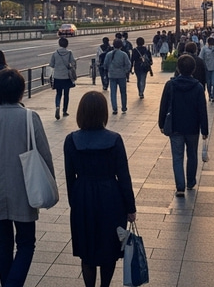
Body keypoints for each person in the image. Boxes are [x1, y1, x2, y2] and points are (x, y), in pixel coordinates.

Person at [0, 68, 54, 287]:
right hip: (24, 189)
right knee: (26, 243)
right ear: (20, 92)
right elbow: (45, 155)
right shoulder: (29, 117)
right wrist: (49, 184)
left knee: (3, 242)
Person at [64, 91, 137, 287]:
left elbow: (69, 176)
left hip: (83, 194)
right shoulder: (114, 139)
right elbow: (123, 176)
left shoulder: (71, 140)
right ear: (104, 113)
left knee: (87, 250)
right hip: (110, 196)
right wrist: (130, 207)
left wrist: (74, 202)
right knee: (109, 248)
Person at [158, 54, 209, 195]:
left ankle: (180, 186)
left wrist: (161, 123)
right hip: (193, 127)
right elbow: (202, 110)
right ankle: (191, 181)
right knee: (192, 154)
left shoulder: (170, 84)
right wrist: (204, 129)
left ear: (178, 68)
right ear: (193, 70)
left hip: (175, 126)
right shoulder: (198, 87)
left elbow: (163, 105)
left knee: (177, 156)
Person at [50, 35, 77, 120]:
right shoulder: (69, 53)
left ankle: (57, 106)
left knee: (58, 93)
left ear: (59, 44)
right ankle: (64, 111)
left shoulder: (55, 53)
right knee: (66, 94)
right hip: (66, 76)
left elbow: (51, 64)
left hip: (57, 76)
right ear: (67, 44)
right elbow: (73, 63)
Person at [103, 39, 132, 114]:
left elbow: (105, 65)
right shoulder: (123, 54)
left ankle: (115, 108)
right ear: (121, 46)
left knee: (113, 92)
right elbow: (128, 65)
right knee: (123, 92)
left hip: (112, 75)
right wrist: (125, 71)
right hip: (121, 75)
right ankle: (124, 107)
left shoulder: (109, 54)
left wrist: (109, 70)